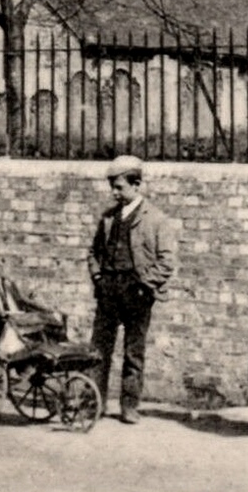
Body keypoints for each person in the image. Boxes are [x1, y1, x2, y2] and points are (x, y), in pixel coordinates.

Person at [88, 154, 177, 424]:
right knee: (99, 350)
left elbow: (167, 260)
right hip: (109, 291)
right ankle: (96, 403)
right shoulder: (107, 218)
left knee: (133, 352)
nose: (114, 193)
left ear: (136, 184)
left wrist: (144, 284)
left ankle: (129, 405)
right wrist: (99, 278)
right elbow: (94, 252)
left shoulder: (156, 219)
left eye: (120, 187)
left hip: (137, 293)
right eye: (112, 187)